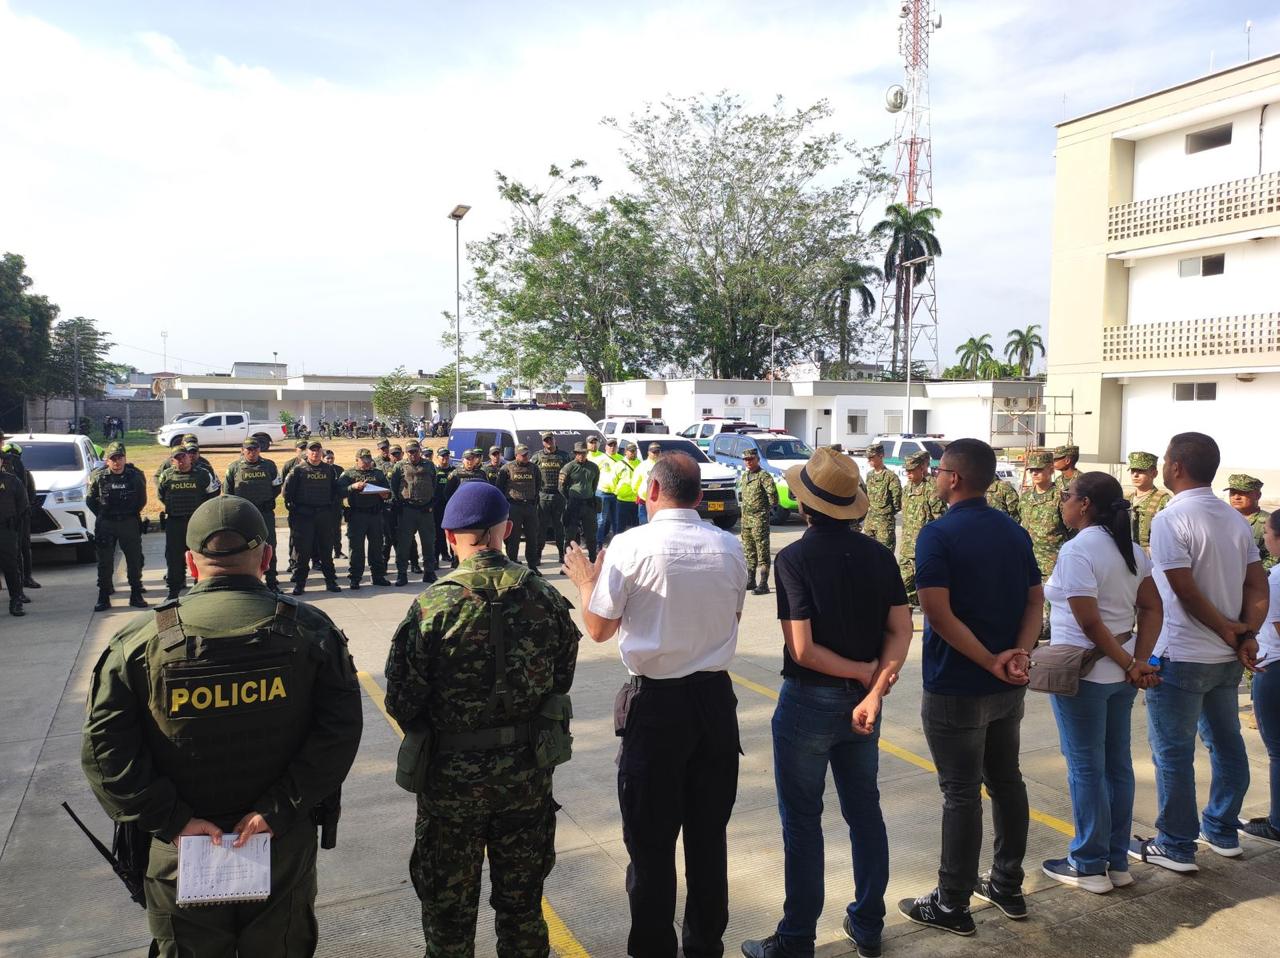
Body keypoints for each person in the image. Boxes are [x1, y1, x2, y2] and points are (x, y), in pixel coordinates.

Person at [81, 496, 363, 958]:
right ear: (267, 557)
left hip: (181, 849)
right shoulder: (311, 631)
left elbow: (105, 751)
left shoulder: (140, 642)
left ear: (190, 562)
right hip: (278, 841)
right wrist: (278, 809)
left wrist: (174, 821)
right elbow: (339, 732)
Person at [385, 482, 580, 956]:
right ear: (506, 531)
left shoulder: (433, 607)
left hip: (450, 787)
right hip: (526, 780)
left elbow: (402, 701)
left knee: (449, 916)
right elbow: (561, 680)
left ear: (450, 536)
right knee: (522, 909)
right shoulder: (545, 597)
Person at [564, 452, 746, 958]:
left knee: (650, 845)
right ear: (697, 495)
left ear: (650, 492)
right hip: (714, 704)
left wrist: (585, 580)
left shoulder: (630, 544)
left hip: (658, 707)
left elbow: (598, 630)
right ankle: (705, 947)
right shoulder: (730, 547)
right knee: (708, 841)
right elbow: (731, 614)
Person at [741, 449, 912, 958]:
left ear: (804, 504)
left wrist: (865, 676)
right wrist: (875, 687)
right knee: (865, 811)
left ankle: (796, 938)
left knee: (802, 819)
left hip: (810, 702)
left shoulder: (793, 558)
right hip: (864, 703)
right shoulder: (879, 554)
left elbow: (803, 650)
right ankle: (869, 921)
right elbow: (901, 630)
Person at [900, 438, 1043, 936]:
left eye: (940, 470)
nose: (936, 477)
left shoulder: (937, 534)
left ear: (954, 477)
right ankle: (1006, 884)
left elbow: (937, 613)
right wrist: (1018, 656)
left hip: (959, 685)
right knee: (1007, 781)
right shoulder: (1013, 531)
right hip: (1008, 683)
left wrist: (991, 661)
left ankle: (952, 902)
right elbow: (1034, 602)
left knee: (961, 793)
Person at [1130, 432, 1269, 871]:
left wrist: (1231, 630)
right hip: (1225, 658)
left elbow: (1182, 588)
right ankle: (1222, 828)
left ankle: (1175, 843)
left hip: (1183, 654)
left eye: (1167, 459)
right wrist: (1246, 634)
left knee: (1173, 753)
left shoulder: (1172, 519)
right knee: (1226, 743)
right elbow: (1257, 584)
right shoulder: (1233, 520)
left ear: (1175, 467)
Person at [1040, 472, 1163, 894]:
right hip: (1121, 676)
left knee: (1086, 769)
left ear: (1086, 503)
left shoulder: (1078, 551)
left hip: (1087, 676)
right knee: (1116, 767)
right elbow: (1151, 609)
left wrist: (1132, 661)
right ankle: (1115, 860)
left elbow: (1088, 621)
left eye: (1068, 496)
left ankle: (1088, 864)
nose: (1063, 503)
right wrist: (1138, 662)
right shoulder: (1130, 550)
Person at [1242, 510, 1280, 845]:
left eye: (1267, 531)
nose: (1264, 537)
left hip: (1276, 668)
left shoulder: (1277, 578)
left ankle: (1278, 822)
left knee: (1278, 749)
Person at [87, 441, 149, 611]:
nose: (117, 462)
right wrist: (104, 515)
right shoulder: (98, 477)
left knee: (134, 560)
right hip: (106, 523)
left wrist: (128, 514)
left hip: (128, 522)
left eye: (120, 457)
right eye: (113, 458)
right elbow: (90, 500)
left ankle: (136, 593)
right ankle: (104, 596)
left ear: (124, 458)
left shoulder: (135, 477)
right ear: (107, 460)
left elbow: (141, 500)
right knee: (105, 562)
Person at [157, 447, 219, 600]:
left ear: (189, 458)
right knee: (174, 558)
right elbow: (162, 495)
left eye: (183, 457)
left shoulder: (203, 474)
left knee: (200, 555)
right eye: (177, 458)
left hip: (197, 522)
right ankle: (173, 591)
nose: (181, 461)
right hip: (175, 523)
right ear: (172, 461)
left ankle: (201, 588)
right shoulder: (166, 476)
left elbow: (213, 494)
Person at [223, 438, 283, 592]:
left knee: (269, 547)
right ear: (243, 450)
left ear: (259, 450)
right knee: (243, 549)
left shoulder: (269, 466)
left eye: (255, 449)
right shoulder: (234, 467)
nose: (252, 452)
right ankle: (247, 582)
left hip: (265, 513)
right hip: (244, 516)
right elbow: (228, 492)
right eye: (248, 449)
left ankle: (272, 582)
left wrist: (268, 500)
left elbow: (276, 487)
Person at [282, 439, 342, 595]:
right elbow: (287, 493)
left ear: (322, 452)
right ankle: (300, 584)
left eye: (318, 450)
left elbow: (334, 491)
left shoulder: (329, 470)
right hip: (304, 516)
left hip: (323, 515)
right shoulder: (298, 470)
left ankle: (330, 582)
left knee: (326, 551)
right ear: (306, 453)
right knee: (303, 552)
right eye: (312, 450)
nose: (315, 453)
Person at [337, 448, 392, 589]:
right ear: (357, 460)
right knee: (356, 549)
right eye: (364, 460)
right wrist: (353, 486)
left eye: (369, 459)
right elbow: (338, 491)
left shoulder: (378, 473)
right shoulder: (348, 474)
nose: (367, 462)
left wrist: (384, 494)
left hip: (375, 515)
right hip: (357, 515)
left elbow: (388, 491)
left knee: (376, 547)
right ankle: (355, 578)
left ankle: (378, 576)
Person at [898, 450, 946, 608]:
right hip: (907, 548)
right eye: (907, 471)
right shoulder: (907, 489)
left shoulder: (931, 489)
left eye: (912, 471)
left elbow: (940, 519)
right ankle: (906, 625)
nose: (909, 474)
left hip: (924, 549)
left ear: (921, 469)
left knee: (928, 592)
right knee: (905, 589)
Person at [390, 441, 438, 586]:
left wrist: (430, 503)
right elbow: (393, 486)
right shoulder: (399, 466)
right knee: (404, 544)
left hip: (425, 510)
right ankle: (402, 574)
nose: (413, 454)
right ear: (406, 452)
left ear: (419, 451)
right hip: (407, 510)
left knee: (428, 542)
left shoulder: (429, 465)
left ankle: (429, 572)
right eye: (410, 452)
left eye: (415, 451)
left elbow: (434, 484)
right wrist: (398, 504)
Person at [738, 447, 779, 596]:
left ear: (757, 459)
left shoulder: (764, 476)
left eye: (751, 459)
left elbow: (773, 497)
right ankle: (751, 580)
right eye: (746, 460)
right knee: (749, 551)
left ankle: (763, 583)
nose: (748, 462)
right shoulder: (745, 476)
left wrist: (764, 509)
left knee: (762, 551)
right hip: (746, 520)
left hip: (759, 519)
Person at [496, 443, 542, 570]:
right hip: (514, 506)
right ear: (516, 455)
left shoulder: (534, 468)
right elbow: (499, 487)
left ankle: (533, 566)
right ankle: (513, 565)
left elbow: (538, 485)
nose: (525, 457)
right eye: (522, 455)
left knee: (532, 537)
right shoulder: (507, 468)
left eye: (527, 454)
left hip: (530, 506)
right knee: (513, 538)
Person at [2, 440, 40, 591]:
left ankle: (26, 578)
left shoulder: (22, 474)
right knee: (17, 551)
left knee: (22, 549)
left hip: (19, 517)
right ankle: (24, 580)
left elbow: (29, 494)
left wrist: (25, 510)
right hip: (11, 519)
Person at [559, 442, 600, 563]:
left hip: (588, 504)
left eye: (583, 453)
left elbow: (594, 485)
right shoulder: (569, 467)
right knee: (570, 536)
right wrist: (570, 498)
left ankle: (593, 561)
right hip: (573, 505)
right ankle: (568, 562)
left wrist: (588, 495)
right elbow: (561, 487)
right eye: (579, 453)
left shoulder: (593, 467)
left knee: (591, 534)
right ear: (575, 454)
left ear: (587, 453)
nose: (581, 455)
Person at [533, 434, 570, 566]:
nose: (548, 442)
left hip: (559, 496)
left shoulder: (564, 456)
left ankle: (561, 554)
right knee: (541, 527)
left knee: (559, 527)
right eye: (546, 441)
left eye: (550, 440)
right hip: (543, 496)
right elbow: (532, 472)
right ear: (543, 442)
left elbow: (570, 474)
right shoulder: (537, 456)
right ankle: (538, 555)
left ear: (554, 440)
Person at [1225, 474, 1274, 571]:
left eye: (1243, 492)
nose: (1236, 497)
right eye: (1233, 492)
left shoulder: (1270, 522)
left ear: (1258, 495)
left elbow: (1274, 558)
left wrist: (1252, 577)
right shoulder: (1221, 518)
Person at [1126, 451, 1170, 554]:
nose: (1135, 475)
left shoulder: (1163, 500)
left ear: (1154, 473)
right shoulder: (1127, 500)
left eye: (1141, 471)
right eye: (1133, 471)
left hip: (1151, 561)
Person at [862, 442, 903, 553]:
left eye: (872, 457)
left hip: (884, 523)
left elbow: (897, 501)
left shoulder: (890, 477)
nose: (869, 460)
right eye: (868, 458)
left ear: (881, 456)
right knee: (868, 554)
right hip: (870, 521)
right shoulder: (870, 475)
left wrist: (885, 513)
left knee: (885, 554)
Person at [0, 454, 26, 616]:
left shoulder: (12, 481)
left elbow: (22, 506)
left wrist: (15, 530)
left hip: (6, 530)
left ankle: (16, 601)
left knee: (11, 567)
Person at [596, 437, 625, 543]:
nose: (612, 447)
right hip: (602, 493)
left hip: (616, 494)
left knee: (616, 521)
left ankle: (616, 544)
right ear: (605, 447)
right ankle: (598, 545)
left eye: (614, 445)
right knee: (601, 521)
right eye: (610, 445)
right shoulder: (600, 459)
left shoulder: (621, 459)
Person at [433, 448, 456, 569]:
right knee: (437, 535)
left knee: (453, 534)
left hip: (451, 507)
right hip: (437, 507)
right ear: (437, 457)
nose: (445, 459)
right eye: (442, 456)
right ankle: (435, 560)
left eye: (447, 456)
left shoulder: (454, 471)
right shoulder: (433, 471)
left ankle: (455, 559)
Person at [613, 442, 642, 534]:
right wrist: (616, 492)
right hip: (622, 500)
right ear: (626, 452)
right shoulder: (619, 464)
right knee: (620, 526)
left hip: (635, 500)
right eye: (631, 451)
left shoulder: (640, 464)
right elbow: (613, 480)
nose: (633, 453)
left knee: (635, 526)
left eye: (635, 451)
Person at [322, 449, 345, 559]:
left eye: (332, 458)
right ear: (323, 459)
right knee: (324, 530)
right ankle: (325, 553)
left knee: (337, 529)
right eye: (328, 458)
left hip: (336, 503)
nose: (330, 460)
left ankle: (338, 551)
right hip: (323, 505)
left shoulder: (339, 469)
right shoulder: (320, 469)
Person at [633, 442, 662, 525]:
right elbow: (635, 483)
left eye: (658, 452)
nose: (656, 454)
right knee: (644, 523)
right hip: (644, 499)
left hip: (658, 500)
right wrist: (640, 493)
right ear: (648, 452)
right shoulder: (642, 465)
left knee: (656, 523)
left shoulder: (663, 465)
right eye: (654, 452)